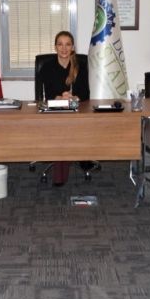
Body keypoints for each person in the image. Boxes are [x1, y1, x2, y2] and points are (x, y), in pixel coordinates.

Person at [37, 31, 90, 185]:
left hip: (75, 110)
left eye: (68, 44)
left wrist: (74, 97)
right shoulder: (47, 67)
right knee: (61, 127)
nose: (64, 48)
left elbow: (86, 93)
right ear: (55, 47)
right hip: (54, 110)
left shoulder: (80, 66)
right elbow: (45, 94)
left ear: (72, 47)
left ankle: (62, 169)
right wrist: (59, 98)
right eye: (60, 44)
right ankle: (61, 170)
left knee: (66, 127)